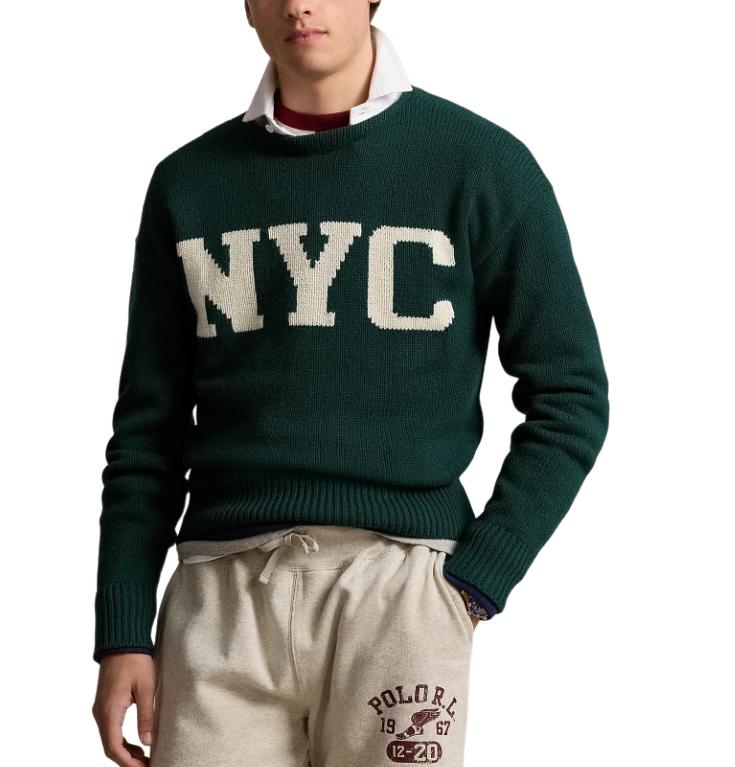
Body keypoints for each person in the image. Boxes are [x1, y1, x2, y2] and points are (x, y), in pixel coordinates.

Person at [91, 1, 610, 765]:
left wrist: (476, 579)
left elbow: (570, 393)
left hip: (400, 590)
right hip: (218, 596)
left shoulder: (479, 163)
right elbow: (148, 427)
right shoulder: (189, 182)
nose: (299, 4)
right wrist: (122, 630)